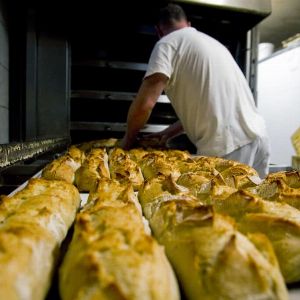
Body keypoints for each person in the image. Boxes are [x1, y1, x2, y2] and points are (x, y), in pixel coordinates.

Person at [121, 3, 270, 178]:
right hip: (259, 138)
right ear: (189, 24)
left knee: (216, 204)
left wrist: (127, 142)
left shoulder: (167, 44)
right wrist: (167, 133)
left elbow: (145, 104)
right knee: (256, 203)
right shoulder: (214, 44)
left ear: (159, 31)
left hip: (228, 148)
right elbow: (209, 104)